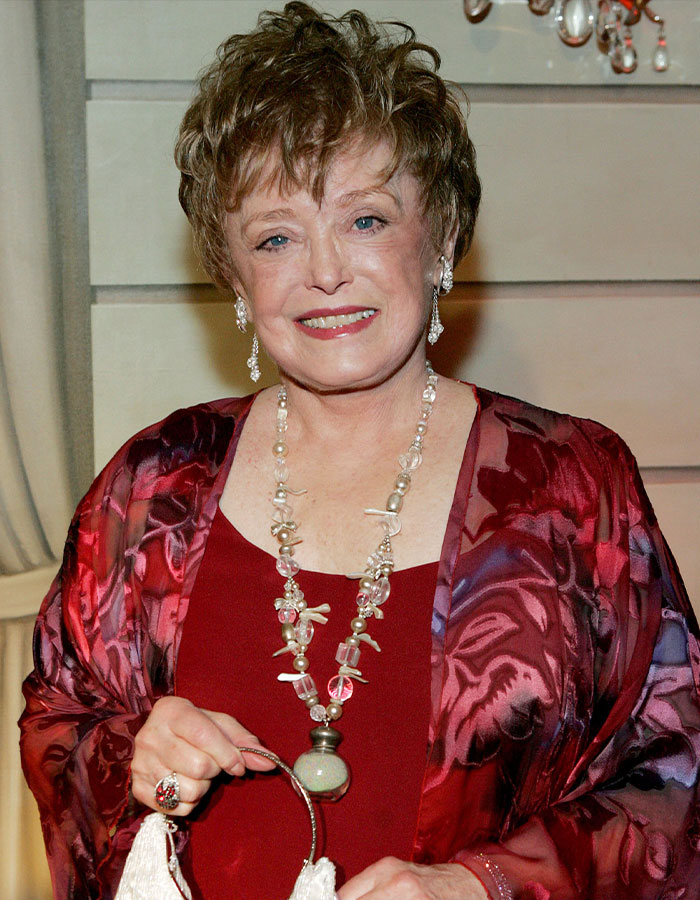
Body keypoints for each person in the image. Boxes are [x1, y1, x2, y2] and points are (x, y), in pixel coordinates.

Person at [19, 3, 700, 899]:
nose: (325, 271)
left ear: (445, 237)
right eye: (275, 237)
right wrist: (131, 754)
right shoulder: (152, 486)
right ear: (234, 277)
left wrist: (482, 885)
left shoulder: (572, 487)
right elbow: (62, 718)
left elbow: (674, 784)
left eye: (367, 220)